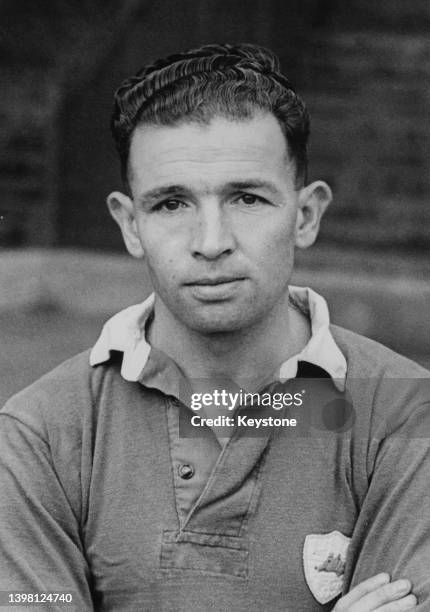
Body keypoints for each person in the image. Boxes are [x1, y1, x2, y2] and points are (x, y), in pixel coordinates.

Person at [0, 43, 429, 611]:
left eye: (247, 198)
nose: (210, 242)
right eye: (172, 204)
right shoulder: (40, 432)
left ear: (305, 215)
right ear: (130, 225)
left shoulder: (405, 413)